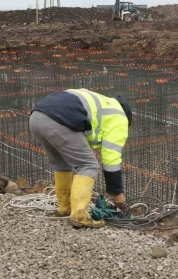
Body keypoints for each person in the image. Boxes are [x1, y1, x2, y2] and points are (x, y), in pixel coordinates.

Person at [29, 89, 132, 229]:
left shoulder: (104, 103)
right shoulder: (119, 118)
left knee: (61, 164)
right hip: (58, 121)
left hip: (36, 117)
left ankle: (65, 207)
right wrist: (116, 193)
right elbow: (111, 159)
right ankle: (79, 214)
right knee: (88, 165)